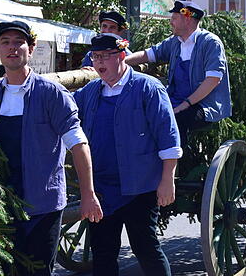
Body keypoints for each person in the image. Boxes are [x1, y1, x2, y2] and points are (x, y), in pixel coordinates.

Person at [0, 21, 102, 275]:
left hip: (43, 204)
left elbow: (78, 143)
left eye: (18, 42)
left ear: (31, 48)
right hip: (3, 202)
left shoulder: (51, 93)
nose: (12, 48)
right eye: (5, 42)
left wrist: (88, 194)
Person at [73, 33, 181, 275]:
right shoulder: (90, 91)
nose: (99, 63)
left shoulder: (148, 88)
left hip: (140, 188)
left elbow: (168, 137)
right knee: (102, 252)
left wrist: (167, 180)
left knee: (145, 248)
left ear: (122, 55)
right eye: (95, 57)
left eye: (105, 57)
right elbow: (64, 108)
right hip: (101, 188)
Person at [125, 0, 231, 147]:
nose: (171, 22)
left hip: (203, 104)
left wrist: (185, 104)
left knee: (176, 120)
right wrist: (120, 63)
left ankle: (179, 163)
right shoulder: (175, 42)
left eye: (174, 18)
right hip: (176, 100)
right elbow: (147, 54)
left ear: (187, 18)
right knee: (143, 113)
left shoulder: (210, 43)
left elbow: (212, 80)